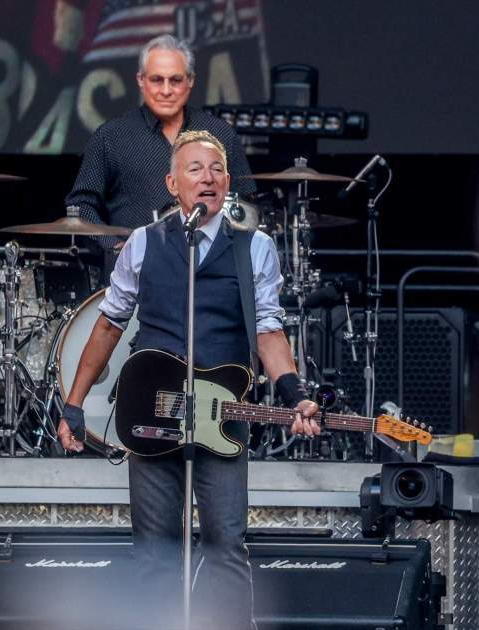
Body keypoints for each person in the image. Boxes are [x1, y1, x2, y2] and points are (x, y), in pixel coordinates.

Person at [58, 130, 318, 630]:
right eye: (195, 169)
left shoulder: (254, 247)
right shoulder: (144, 242)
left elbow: (268, 329)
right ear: (172, 184)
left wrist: (294, 394)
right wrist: (74, 403)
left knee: (225, 543)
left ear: (228, 182)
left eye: (217, 169)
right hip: (152, 407)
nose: (208, 178)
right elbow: (110, 324)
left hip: (223, 413)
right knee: (155, 549)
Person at [65, 34, 255, 251]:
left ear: (190, 80)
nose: (166, 90)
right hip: (137, 265)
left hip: (212, 263)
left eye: (175, 80)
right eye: (156, 80)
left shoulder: (220, 133)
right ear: (141, 80)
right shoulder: (110, 136)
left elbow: (247, 205)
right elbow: (81, 207)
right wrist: (116, 247)